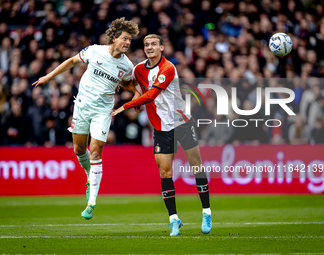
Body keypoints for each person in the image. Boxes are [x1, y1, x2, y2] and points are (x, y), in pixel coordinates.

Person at [33, 18, 140, 220]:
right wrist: (49, 76)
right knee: (79, 150)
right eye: (125, 38)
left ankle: (91, 203)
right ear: (115, 38)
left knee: (96, 149)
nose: (127, 43)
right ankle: (89, 177)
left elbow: (127, 83)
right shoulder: (95, 51)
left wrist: (136, 94)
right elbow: (72, 61)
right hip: (82, 106)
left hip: (103, 111)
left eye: (130, 40)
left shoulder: (127, 65)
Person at [111, 34, 212, 236]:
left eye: (154, 44)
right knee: (165, 172)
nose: (150, 47)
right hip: (160, 127)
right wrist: (136, 93)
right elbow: (130, 83)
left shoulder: (168, 68)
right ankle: (173, 219)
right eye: (147, 44)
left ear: (162, 48)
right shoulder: (138, 69)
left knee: (196, 166)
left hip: (181, 123)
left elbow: (152, 94)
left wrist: (128, 105)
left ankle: (206, 212)